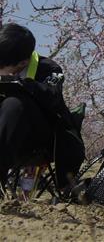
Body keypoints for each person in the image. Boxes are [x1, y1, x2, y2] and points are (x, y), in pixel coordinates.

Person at [0, 23, 85, 196]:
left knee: (14, 104)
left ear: (23, 63)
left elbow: (53, 99)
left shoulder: (49, 69)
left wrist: (23, 85)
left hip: (36, 138)